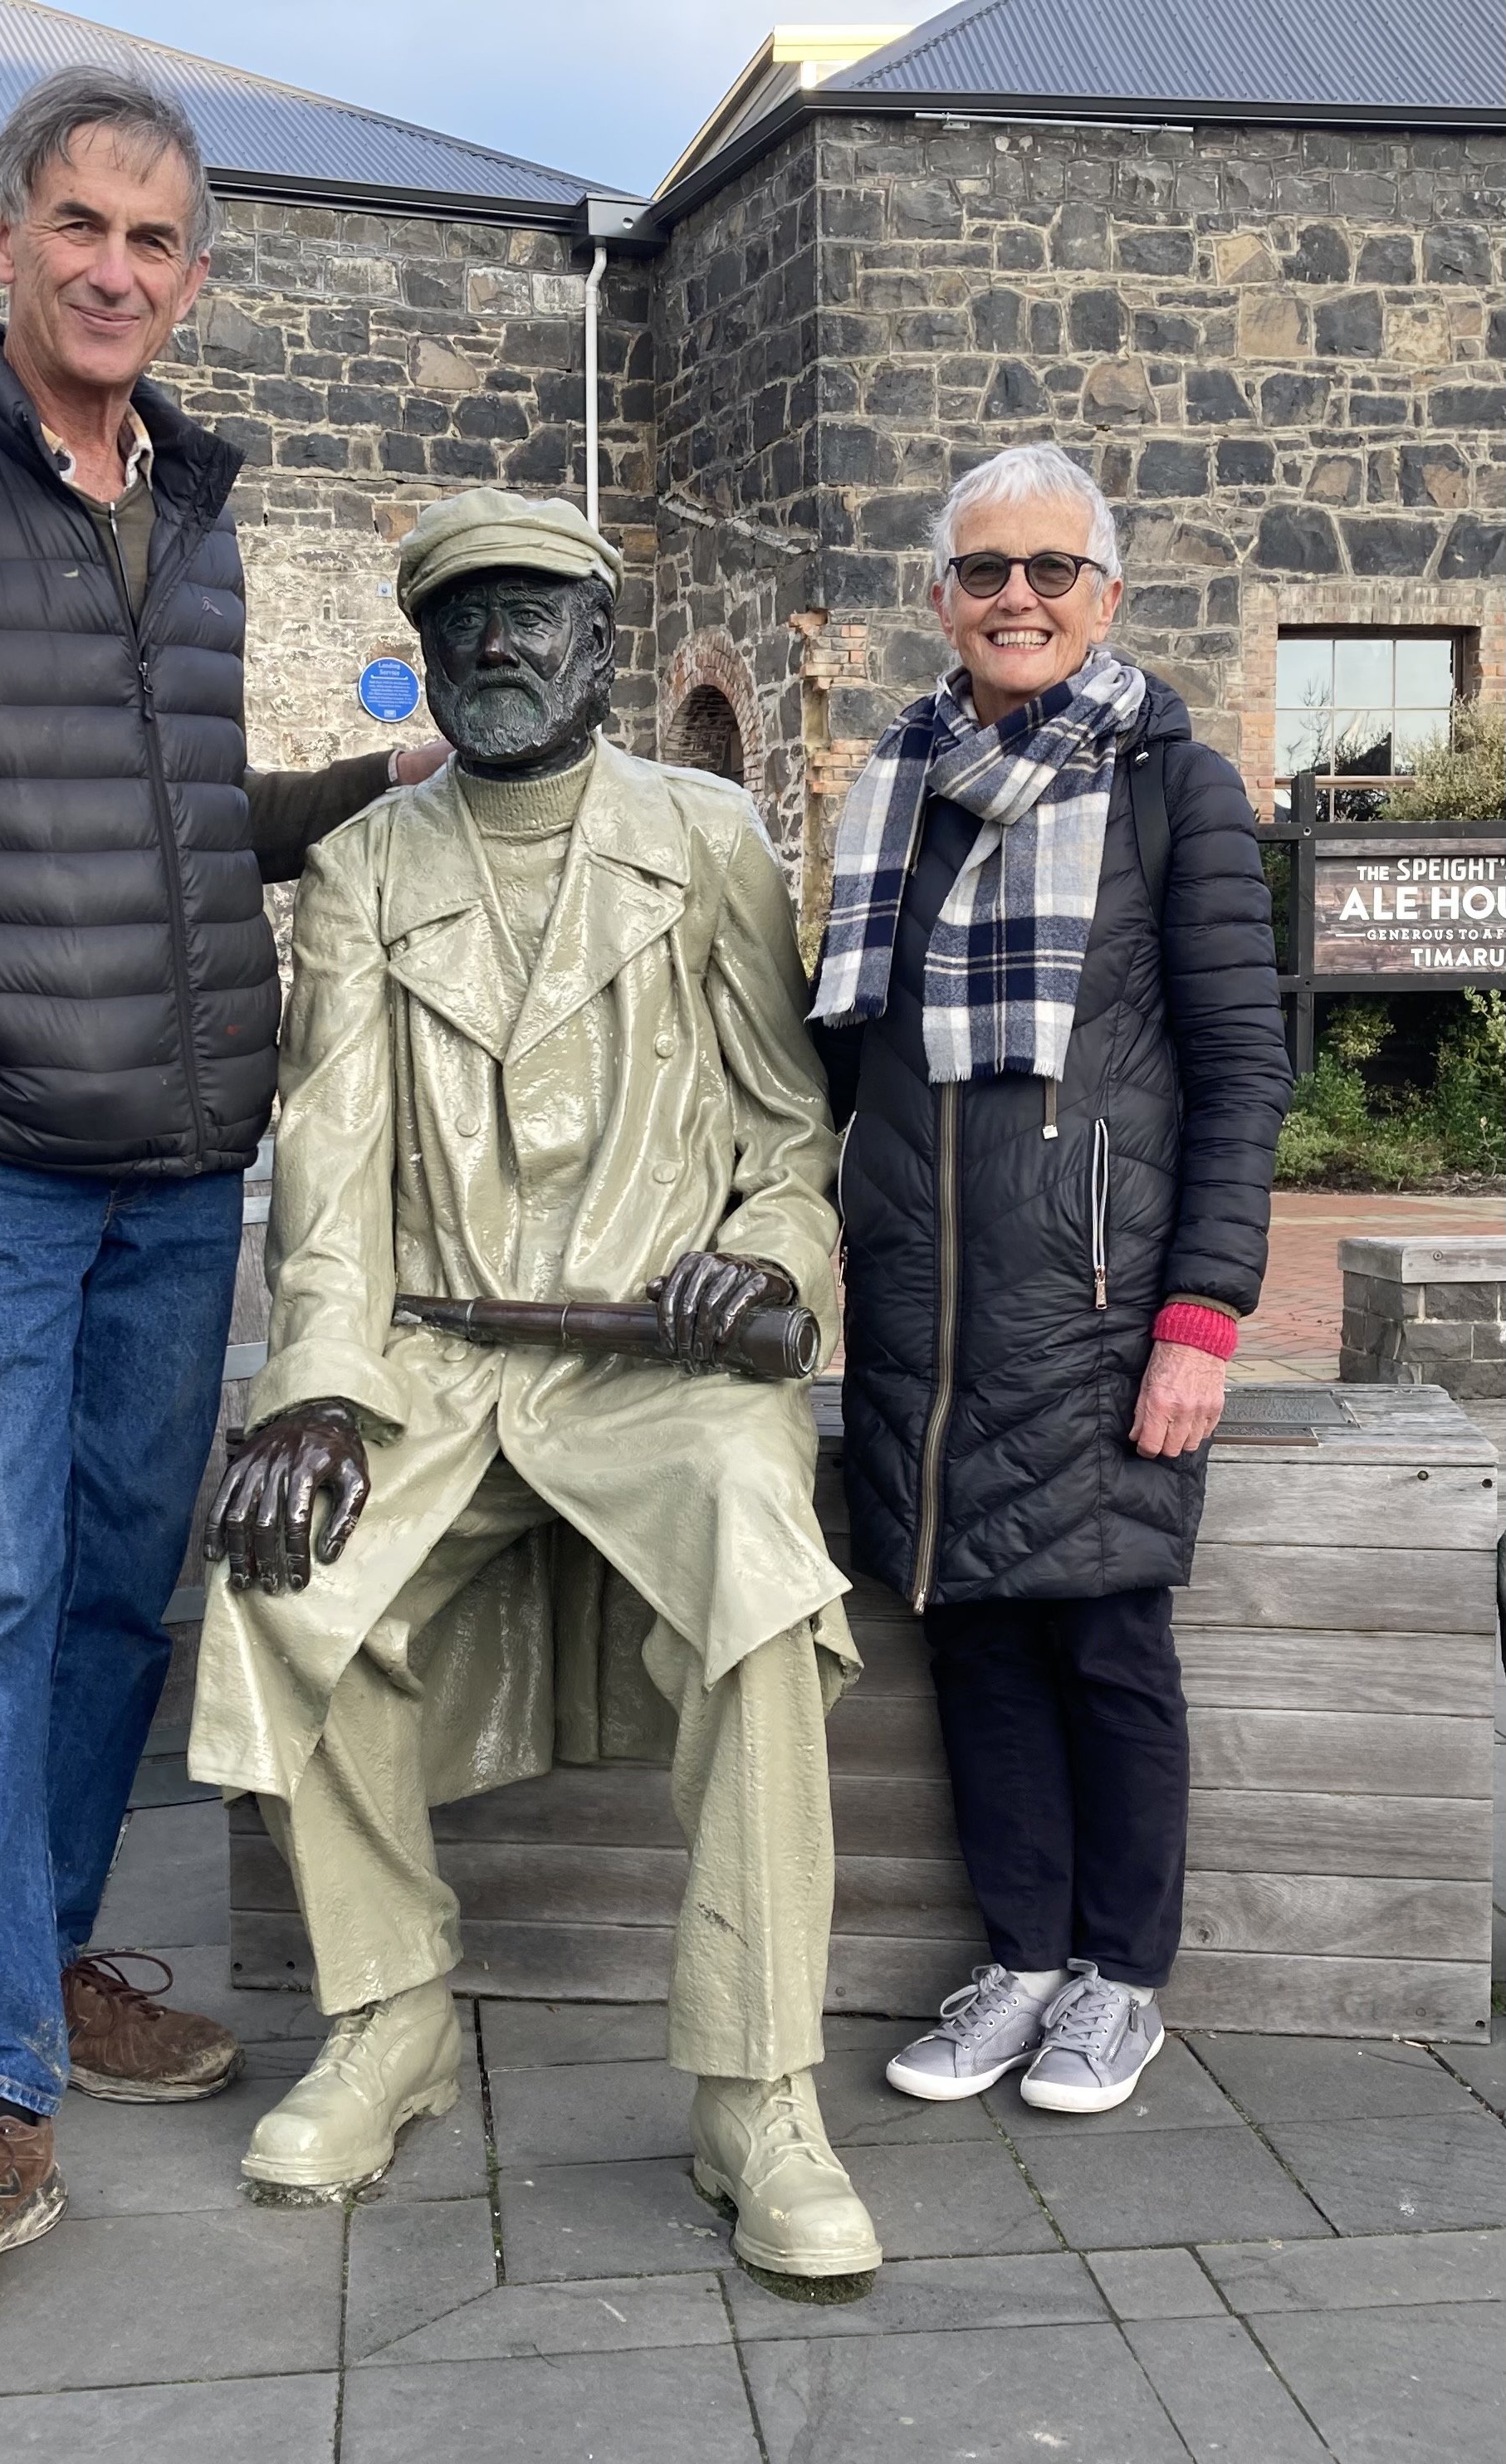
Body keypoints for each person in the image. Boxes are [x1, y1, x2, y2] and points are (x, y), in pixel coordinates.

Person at [0, 68, 447, 2337]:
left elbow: (159, 811)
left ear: (189, 274)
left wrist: (365, 794)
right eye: (79, 228)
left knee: (126, 1607)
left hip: (176, 1170)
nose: (116, 269)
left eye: (155, 240)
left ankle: (33, 1973)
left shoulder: (191, 506)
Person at [189, 487, 882, 2292]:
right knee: (289, 1582)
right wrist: (315, 1385)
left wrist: (776, 1268)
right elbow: (326, 1162)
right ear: (426, 648)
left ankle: (759, 2088)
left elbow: (791, 1133)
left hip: (660, 1353)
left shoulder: (709, 833)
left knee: (758, 1560)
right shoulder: (359, 868)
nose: (501, 643)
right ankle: (391, 2007)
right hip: (429, 1354)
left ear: (601, 646)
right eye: (468, 616)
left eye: (538, 614)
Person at [809, 442, 1290, 2116]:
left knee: (1105, 1642)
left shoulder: (1174, 784)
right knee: (975, 1643)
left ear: (1108, 593)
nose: (1018, 597)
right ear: (939, 594)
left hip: (1097, 1308)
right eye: (986, 568)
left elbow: (1242, 1072)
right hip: (926, 1314)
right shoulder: (903, 780)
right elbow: (844, 1061)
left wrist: (1204, 1318)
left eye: (1051, 570)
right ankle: (1020, 1955)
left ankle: (1120, 1975)